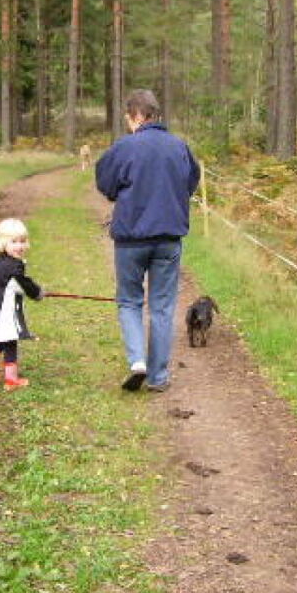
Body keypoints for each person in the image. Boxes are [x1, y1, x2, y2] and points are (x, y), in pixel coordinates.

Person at [95, 89, 201, 392]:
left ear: (136, 116)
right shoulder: (179, 147)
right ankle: (157, 377)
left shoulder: (125, 147)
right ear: (156, 114)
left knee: (129, 300)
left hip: (131, 239)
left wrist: (124, 194)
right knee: (162, 306)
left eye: (129, 118)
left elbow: (105, 182)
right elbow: (191, 182)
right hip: (168, 238)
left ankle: (137, 360)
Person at [0, 218, 43, 392]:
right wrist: (38, 293)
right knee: (10, 340)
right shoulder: (15, 265)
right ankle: (12, 379)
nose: (19, 246)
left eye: (22, 241)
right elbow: (25, 283)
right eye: (14, 242)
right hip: (0, 312)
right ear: (3, 242)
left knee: (1, 338)